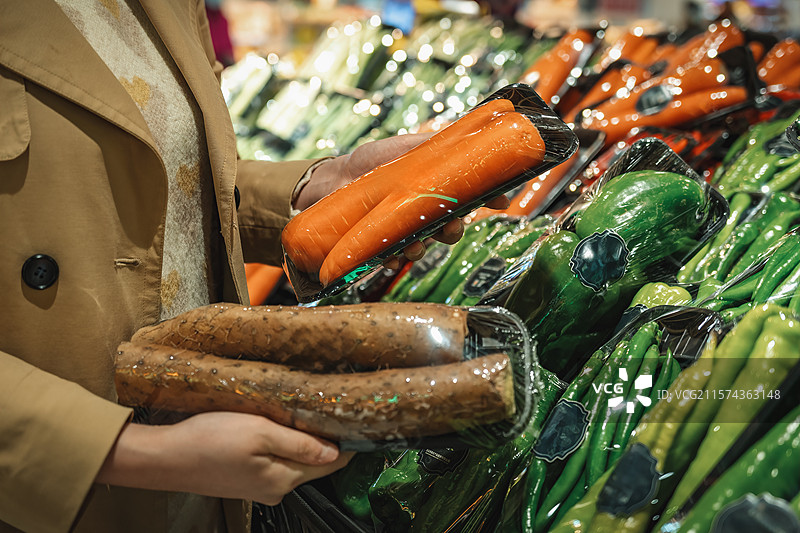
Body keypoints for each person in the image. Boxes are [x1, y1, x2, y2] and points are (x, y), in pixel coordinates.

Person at [0, 1, 508, 532]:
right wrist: (141, 454)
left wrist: (321, 190)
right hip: (62, 487)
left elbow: (160, 181)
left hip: (206, 446)